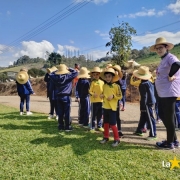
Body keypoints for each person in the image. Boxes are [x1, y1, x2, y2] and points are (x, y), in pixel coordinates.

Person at [150, 37, 180, 149]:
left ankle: (169, 143)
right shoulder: (164, 59)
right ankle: (174, 140)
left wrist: (171, 74)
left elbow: (177, 64)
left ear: (166, 47)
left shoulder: (170, 57)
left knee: (168, 117)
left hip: (169, 92)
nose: (158, 50)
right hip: (163, 92)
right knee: (163, 115)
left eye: (160, 48)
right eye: (157, 48)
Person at [50, 64, 78, 131]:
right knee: (67, 112)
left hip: (58, 96)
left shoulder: (55, 77)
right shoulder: (68, 76)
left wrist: (56, 71)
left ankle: (60, 126)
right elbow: (76, 72)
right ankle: (67, 127)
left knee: (60, 112)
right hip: (66, 96)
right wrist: (69, 68)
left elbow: (50, 74)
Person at [99, 68, 122, 147]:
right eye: (106, 77)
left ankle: (117, 139)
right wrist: (101, 95)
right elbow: (103, 94)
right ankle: (106, 137)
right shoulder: (104, 86)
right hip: (105, 107)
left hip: (112, 108)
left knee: (112, 124)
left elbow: (120, 96)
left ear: (112, 77)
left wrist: (113, 96)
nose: (107, 78)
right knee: (105, 123)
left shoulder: (116, 86)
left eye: (109, 76)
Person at [133, 66, 157, 140]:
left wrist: (142, 106)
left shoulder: (142, 84)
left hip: (147, 103)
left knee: (150, 118)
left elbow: (144, 96)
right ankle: (139, 130)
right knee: (143, 116)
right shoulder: (149, 82)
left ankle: (153, 134)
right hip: (151, 101)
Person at [109, 65, 124, 137]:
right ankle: (107, 129)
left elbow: (121, 85)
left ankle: (119, 130)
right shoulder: (107, 80)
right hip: (108, 101)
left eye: (116, 71)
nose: (114, 72)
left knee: (117, 116)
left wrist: (117, 77)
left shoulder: (118, 81)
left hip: (116, 101)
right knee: (108, 115)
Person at [89, 67, 104, 131]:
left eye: (97, 74)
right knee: (93, 114)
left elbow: (104, 91)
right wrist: (93, 94)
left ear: (99, 74)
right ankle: (92, 126)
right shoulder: (92, 83)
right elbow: (90, 91)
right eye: (94, 75)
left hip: (101, 101)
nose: (95, 76)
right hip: (94, 101)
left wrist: (103, 95)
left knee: (100, 114)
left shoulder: (102, 82)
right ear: (92, 75)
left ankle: (99, 126)